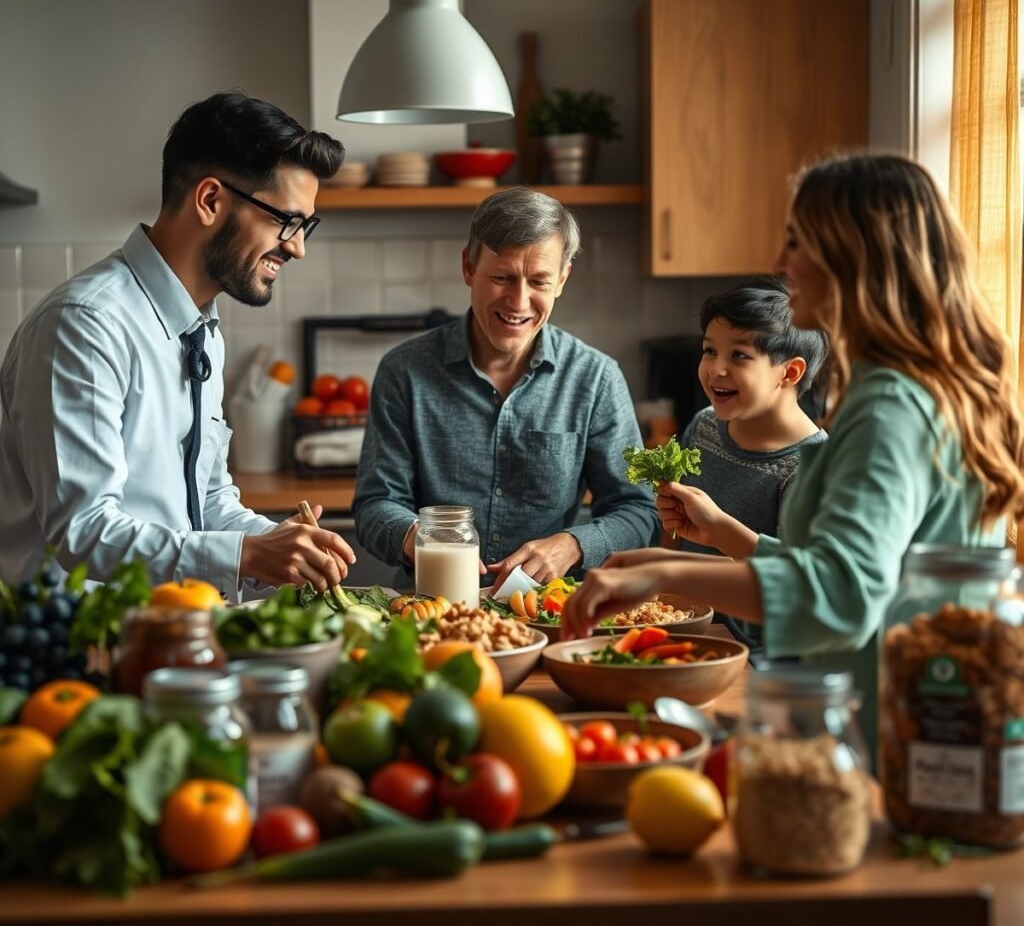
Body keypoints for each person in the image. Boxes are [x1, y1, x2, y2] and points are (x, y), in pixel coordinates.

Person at [563, 154, 1024, 747]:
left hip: (903, 731)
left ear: (850, 256)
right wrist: (665, 565)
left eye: (796, 241)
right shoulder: (913, 386)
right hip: (923, 722)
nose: (781, 263)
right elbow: (849, 572)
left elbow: (841, 594)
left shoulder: (889, 405)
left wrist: (659, 576)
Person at [0, 92, 355, 600]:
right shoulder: (85, 326)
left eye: (305, 226)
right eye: (286, 220)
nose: (297, 247)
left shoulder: (201, 329)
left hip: (170, 632)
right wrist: (248, 555)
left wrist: (279, 542)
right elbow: (84, 532)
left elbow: (206, 499)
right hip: (79, 653)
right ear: (210, 200)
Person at [353, 186, 660, 590]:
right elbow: (375, 504)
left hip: (549, 610)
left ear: (562, 280)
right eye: (502, 277)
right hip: (430, 605)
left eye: (538, 281)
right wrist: (421, 539)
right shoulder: (404, 371)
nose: (518, 301)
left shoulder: (596, 378)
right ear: (468, 268)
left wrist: (572, 545)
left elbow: (638, 509)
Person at [664, 276, 828, 647]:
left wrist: (721, 528)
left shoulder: (813, 465)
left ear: (790, 372)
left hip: (751, 652)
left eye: (739, 355)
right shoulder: (704, 424)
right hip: (677, 626)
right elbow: (671, 532)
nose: (716, 369)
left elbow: (797, 584)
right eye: (709, 351)